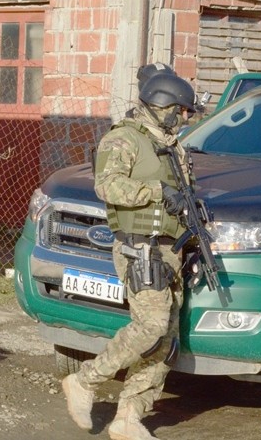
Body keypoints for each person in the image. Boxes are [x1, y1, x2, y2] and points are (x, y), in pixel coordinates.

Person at [62, 72, 197, 440]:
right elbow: (107, 186)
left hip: (171, 250)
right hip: (140, 246)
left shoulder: (172, 147)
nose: (185, 119)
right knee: (151, 326)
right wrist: (156, 191)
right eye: (181, 111)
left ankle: (128, 416)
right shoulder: (123, 139)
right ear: (163, 106)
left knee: (166, 341)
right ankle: (84, 380)